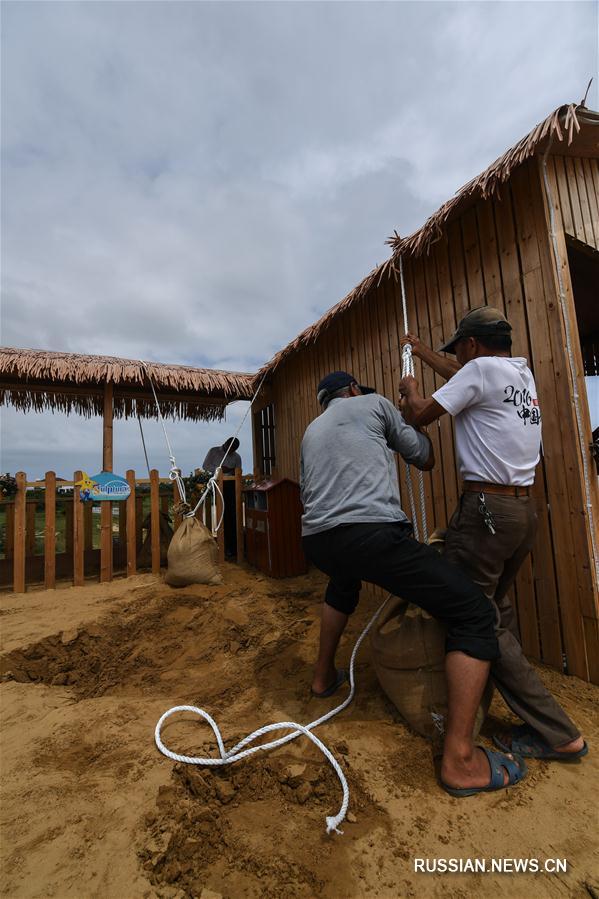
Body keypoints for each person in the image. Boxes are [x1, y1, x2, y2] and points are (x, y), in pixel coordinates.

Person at [300, 370, 527, 796]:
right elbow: (424, 458)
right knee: (474, 613)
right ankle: (460, 761)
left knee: (343, 584)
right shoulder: (375, 404)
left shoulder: (313, 429)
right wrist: (410, 421)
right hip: (371, 535)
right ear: (352, 391)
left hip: (317, 540)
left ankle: (321, 677)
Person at [398, 306, 587, 762]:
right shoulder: (518, 375)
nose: (458, 359)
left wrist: (409, 390)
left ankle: (559, 733)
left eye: (458, 350)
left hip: (485, 512)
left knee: (471, 615)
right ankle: (542, 722)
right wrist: (422, 351)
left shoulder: (479, 371)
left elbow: (421, 415)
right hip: (520, 511)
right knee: (493, 615)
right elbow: (462, 374)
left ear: (472, 345)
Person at [203, 438, 242, 557]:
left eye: (233, 450)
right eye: (230, 448)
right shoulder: (214, 451)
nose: (231, 451)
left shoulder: (237, 457)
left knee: (232, 515)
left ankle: (233, 547)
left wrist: (231, 471)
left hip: (231, 486)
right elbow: (205, 466)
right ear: (225, 444)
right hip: (217, 484)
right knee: (222, 515)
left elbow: (238, 471)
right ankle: (222, 546)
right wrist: (219, 470)